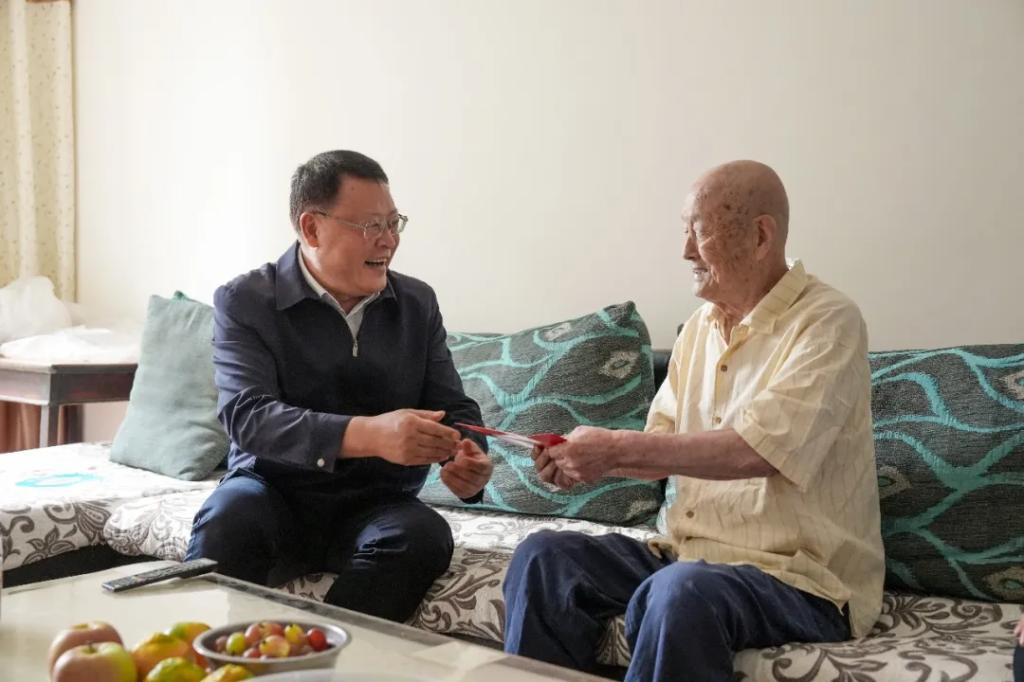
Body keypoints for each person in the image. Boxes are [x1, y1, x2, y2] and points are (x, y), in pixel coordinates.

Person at [503, 160, 884, 681]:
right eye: (684, 231)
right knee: (545, 558)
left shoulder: (828, 321)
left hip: (800, 578)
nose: (685, 250)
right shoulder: (700, 328)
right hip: (687, 556)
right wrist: (583, 462)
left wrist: (614, 448)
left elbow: (759, 451)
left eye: (699, 232)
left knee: (680, 592)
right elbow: (661, 447)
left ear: (760, 236)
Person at [185, 150, 493, 622]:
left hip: (378, 503)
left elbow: (451, 406)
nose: (388, 240)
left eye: (393, 223)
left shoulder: (416, 302)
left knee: (422, 535)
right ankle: (210, 656)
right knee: (228, 519)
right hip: (270, 491)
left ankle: (326, 655)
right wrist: (372, 434)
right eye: (371, 225)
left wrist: (467, 455)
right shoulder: (246, 299)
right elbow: (248, 416)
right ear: (311, 228)